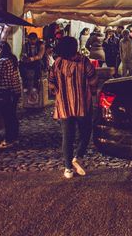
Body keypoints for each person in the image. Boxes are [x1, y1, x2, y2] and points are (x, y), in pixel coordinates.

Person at [48, 36, 97, 179]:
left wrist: (59, 92)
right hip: (82, 104)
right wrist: (92, 93)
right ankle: (78, 156)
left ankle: (68, 168)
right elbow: (93, 79)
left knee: (67, 137)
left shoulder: (57, 63)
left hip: (64, 105)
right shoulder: (83, 61)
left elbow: (51, 84)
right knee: (86, 132)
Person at [0, 41, 22, 149]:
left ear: (0, 50)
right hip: (15, 91)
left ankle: (9, 139)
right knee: (12, 115)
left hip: (5, 91)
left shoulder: (2, 61)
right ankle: (14, 137)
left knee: (7, 116)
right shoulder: (12, 59)